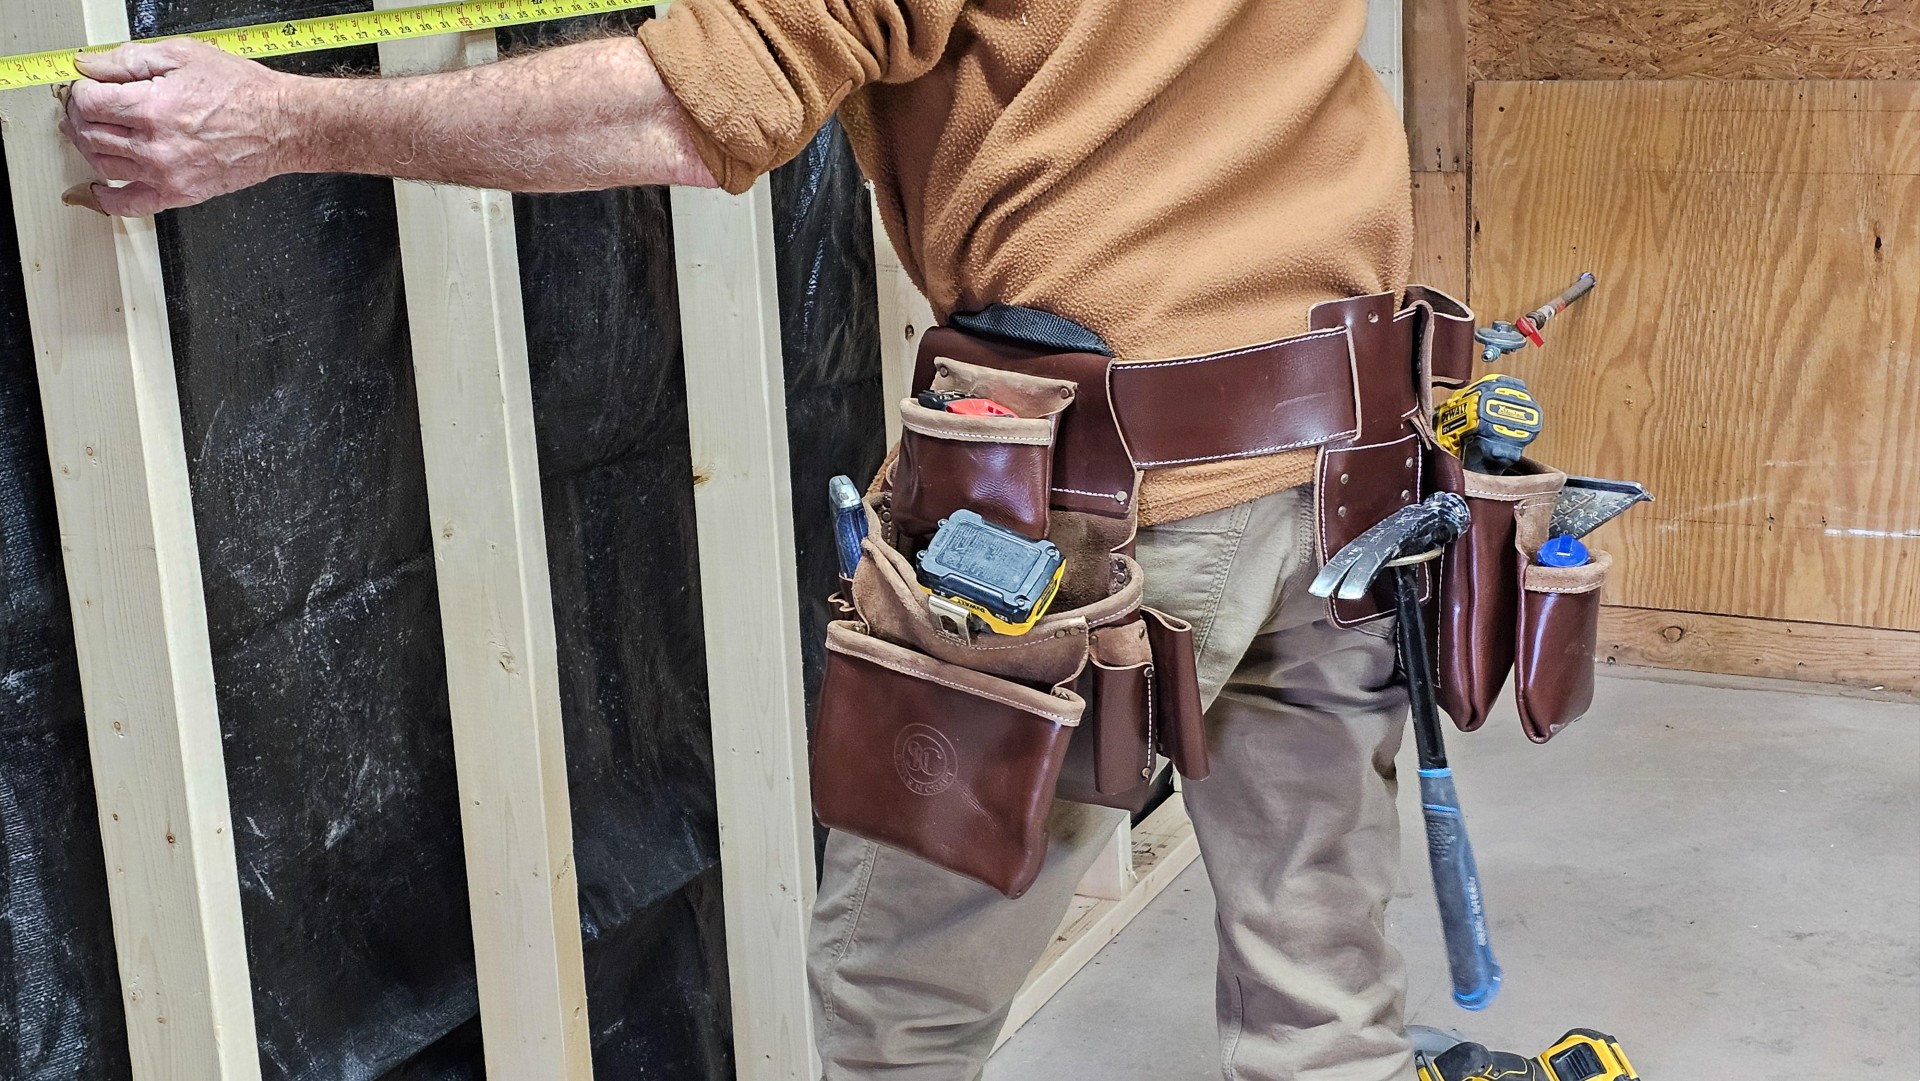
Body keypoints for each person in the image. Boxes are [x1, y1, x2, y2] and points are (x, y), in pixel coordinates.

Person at [60, 3, 1426, 1077]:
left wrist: (278, 123)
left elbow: (693, 105)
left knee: (898, 1010)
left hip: (1106, 509)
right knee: (1325, 992)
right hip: (1347, 453)